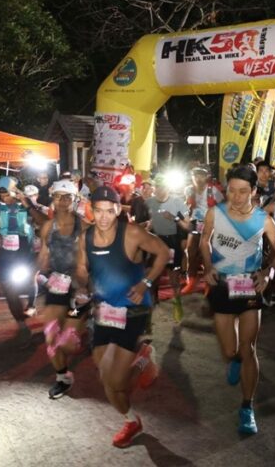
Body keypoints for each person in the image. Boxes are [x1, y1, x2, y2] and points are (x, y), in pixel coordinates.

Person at [75, 185, 169, 448]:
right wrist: (82, 285)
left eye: (109, 211)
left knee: (116, 380)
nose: (104, 217)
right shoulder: (85, 237)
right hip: (104, 310)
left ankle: (143, 359)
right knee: (105, 377)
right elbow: (82, 267)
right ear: (91, 210)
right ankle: (131, 421)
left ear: (118, 209)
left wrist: (145, 284)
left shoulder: (133, 233)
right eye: (98, 211)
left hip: (133, 309)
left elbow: (163, 252)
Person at [200, 165, 275, 436]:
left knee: (248, 348)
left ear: (254, 191)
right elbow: (204, 241)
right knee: (230, 351)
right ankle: (235, 359)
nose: (236, 197)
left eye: (242, 192)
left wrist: (268, 272)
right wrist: (208, 266)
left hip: (250, 285)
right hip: (222, 285)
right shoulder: (215, 213)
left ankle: (247, 407)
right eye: (232, 191)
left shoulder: (263, 220)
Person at [36, 180, 89, 399]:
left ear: (75, 200)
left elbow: (90, 261)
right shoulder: (48, 227)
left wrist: (86, 286)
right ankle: (63, 378)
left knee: (68, 343)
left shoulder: (84, 227)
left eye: (68, 197)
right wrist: (40, 274)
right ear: (53, 199)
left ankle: (90, 325)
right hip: (57, 287)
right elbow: (43, 256)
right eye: (59, 196)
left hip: (80, 291)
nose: (63, 201)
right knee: (51, 337)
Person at [0, 176, 42, 340]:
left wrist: (27, 203)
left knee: (31, 279)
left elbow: (40, 220)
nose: (5, 197)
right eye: (1, 193)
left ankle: (31, 304)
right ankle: (22, 324)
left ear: (15, 190)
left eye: (7, 192)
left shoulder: (24, 204)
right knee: (9, 290)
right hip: (7, 255)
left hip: (26, 252)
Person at [144, 175, 191, 322]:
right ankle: (151, 306)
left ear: (168, 188)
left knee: (173, 277)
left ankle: (177, 304)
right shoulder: (149, 202)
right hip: (155, 241)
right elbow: (149, 221)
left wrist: (174, 218)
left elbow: (188, 226)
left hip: (172, 242)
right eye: (157, 187)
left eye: (162, 187)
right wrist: (148, 226)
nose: (159, 190)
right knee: (152, 276)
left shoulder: (178, 202)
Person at [184, 166, 224, 290]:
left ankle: (209, 277)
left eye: (201, 176)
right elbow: (187, 205)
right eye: (195, 176)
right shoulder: (189, 190)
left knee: (208, 251)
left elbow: (223, 205)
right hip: (195, 222)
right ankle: (191, 278)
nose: (198, 179)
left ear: (206, 177)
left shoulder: (213, 190)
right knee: (190, 250)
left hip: (211, 223)